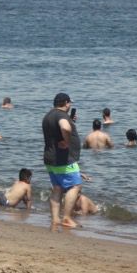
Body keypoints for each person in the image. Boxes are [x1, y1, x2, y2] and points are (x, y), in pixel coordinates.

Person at [42, 92, 83, 231]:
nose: (70, 105)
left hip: (50, 157)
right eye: (69, 103)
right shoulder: (61, 116)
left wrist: (71, 121)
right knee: (75, 186)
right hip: (63, 158)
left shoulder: (48, 115)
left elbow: (58, 128)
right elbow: (64, 127)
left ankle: (55, 219)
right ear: (66, 103)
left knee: (57, 188)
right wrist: (66, 141)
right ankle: (67, 218)